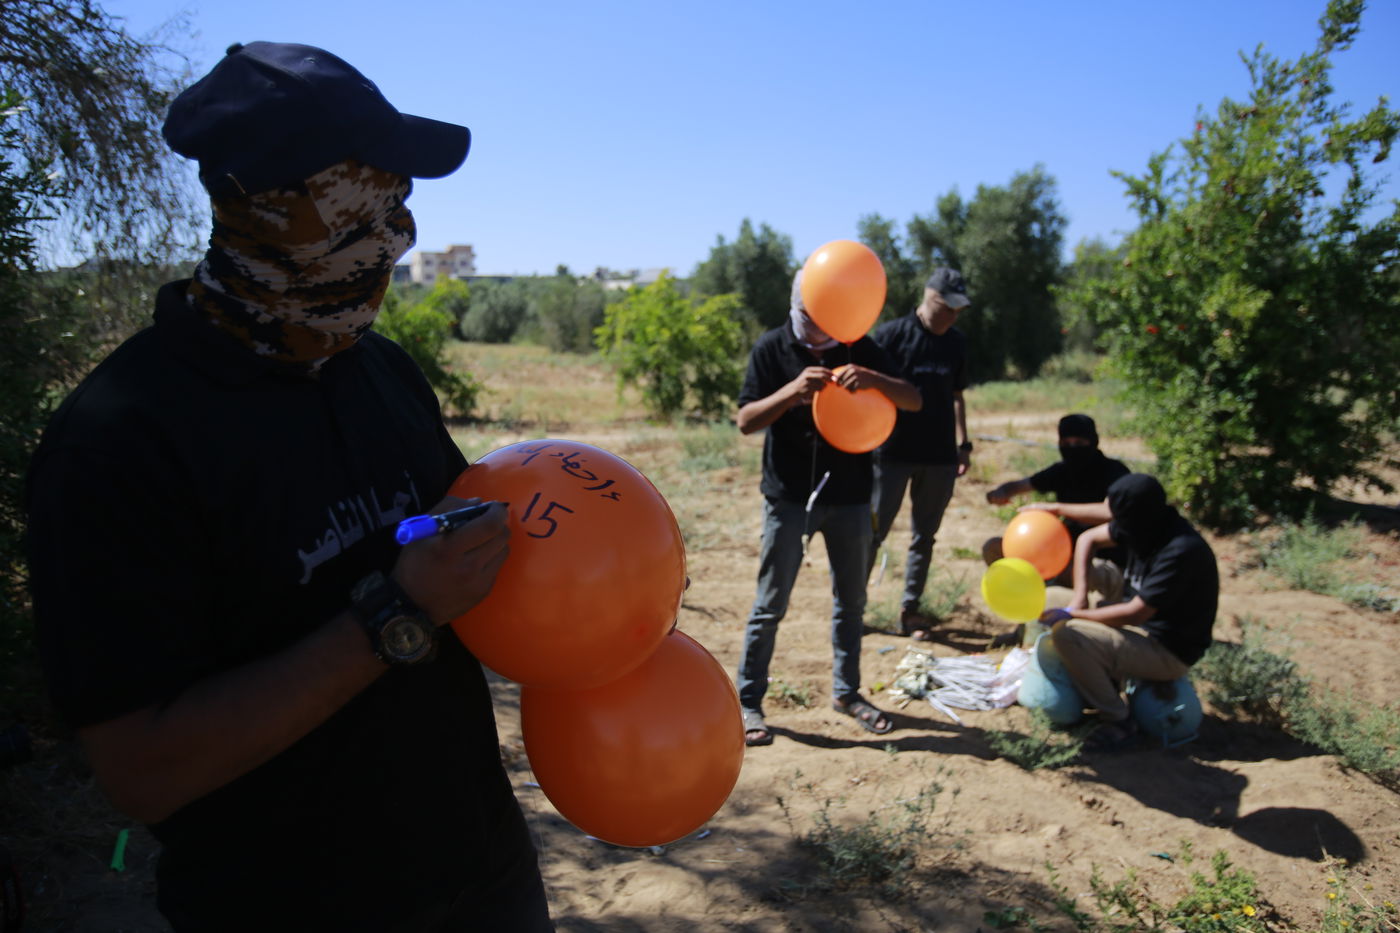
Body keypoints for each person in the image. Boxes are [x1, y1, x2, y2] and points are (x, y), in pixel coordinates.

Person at [26, 42, 553, 932]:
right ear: (266, 210)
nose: (396, 234)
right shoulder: (120, 438)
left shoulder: (378, 368)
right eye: (363, 200)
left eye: (402, 199)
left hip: (484, 874)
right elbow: (142, 766)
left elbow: (460, 555)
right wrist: (393, 615)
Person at [735, 270, 921, 747]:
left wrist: (875, 379)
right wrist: (790, 392)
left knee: (852, 602)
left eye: (828, 325)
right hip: (789, 498)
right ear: (796, 310)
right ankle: (749, 702)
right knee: (770, 603)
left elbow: (914, 399)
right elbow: (745, 420)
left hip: (851, 497)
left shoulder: (857, 342)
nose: (822, 336)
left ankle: (847, 693)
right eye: (812, 323)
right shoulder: (771, 348)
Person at [1027, 474, 1219, 752]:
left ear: (1137, 517)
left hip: (1166, 650)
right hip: (1138, 629)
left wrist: (1075, 616)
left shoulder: (1180, 550)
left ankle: (1118, 720)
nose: (1112, 521)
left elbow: (1135, 613)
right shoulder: (1146, 523)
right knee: (1051, 600)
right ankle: (1096, 680)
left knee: (1068, 635)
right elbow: (1088, 539)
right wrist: (1079, 597)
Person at [867, 268, 973, 641]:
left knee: (923, 537)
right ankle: (852, 609)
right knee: (872, 533)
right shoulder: (890, 337)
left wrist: (964, 444)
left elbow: (957, 396)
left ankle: (910, 611)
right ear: (929, 297)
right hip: (892, 453)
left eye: (958, 311)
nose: (952, 316)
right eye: (947, 307)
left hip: (941, 456)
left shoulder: (956, 343)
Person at [984, 412, 1130, 593]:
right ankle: (1032, 593)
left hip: (1102, 561)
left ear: (1093, 441)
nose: (1072, 448)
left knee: (1093, 575)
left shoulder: (1114, 471)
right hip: (1062, 555)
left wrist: (1057, 509)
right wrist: (1002, 491)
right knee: (994, 548)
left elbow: (1110, 511)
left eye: (1079, 443)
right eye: (1066, 443)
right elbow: (1021, 485)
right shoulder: (1061, 471)